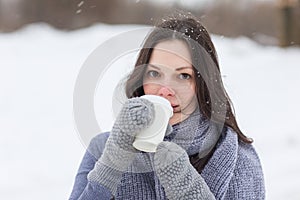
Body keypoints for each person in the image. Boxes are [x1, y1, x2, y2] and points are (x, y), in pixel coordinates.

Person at [69, 12, 265, 200]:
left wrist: (189, 191)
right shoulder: (103, 147)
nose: (165, 90)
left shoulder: (237, 159)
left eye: (183, 76)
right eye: (154, 73)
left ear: (204, 84)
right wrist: (112, 164)